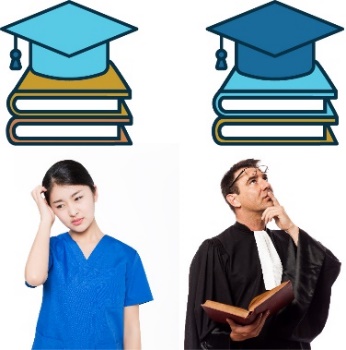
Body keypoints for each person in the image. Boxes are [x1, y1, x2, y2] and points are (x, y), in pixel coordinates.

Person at [184, 159, 341, 349]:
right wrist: (232, 337)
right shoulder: (216, 249)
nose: (266, 185)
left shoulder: (288, 240)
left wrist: (290, 227)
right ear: (234, 199)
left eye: (264, 178)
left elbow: (326, 265)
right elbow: (203, 328)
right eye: (253, 181)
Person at [25, 160, 153, 349]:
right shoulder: (49, 248)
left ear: (94, 193)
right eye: (59, 205)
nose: (73, 211)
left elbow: (131, 328)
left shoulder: (126, 257)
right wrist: (45, 220)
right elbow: (34, 278)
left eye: (77, 198)